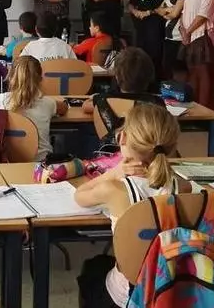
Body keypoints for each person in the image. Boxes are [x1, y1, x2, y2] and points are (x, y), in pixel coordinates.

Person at [74, 103, 190, 308]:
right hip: (171, 289)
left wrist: (113, 173)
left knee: (93, 267)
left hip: (129, 296)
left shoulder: (113, 189)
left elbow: (79, 195)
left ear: (123, 138)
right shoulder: (183, 186)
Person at [0, 55, 68, 160]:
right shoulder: (48, 103)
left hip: (7, 162)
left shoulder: (0, 100)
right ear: (40, 79)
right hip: (41, 163)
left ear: (11, 77)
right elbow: (64, 108)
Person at [83, 47, 165, 151]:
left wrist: (94, 97)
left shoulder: (104, 100)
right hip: (148, 154)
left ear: (117, 76)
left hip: (112, 155)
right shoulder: (157, 103)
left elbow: (86, 106)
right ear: (150, 76)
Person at [179, 0, 214, 106]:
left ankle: (203, 108)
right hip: (187, 36)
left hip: (200, 36)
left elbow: (203, 15)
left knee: (202, 73)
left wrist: (188, 31)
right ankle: (192, 106)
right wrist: (183, 31)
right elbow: (184, 12)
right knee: (191, 74)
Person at [128, 0, 169, 74]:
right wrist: (135, 11)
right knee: (139, 54)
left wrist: (148, 12)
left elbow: (165, 5)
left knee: (154, 55)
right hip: (140, 24)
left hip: (155, 23)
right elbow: (131, 3)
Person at [155, 0, 192, 80]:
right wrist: (171, 10)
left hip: (179, 37)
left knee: (178, 72)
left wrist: (170, 11)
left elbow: (174, 14)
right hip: (168, 36)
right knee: (166, 69)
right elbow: (159, 9)